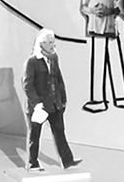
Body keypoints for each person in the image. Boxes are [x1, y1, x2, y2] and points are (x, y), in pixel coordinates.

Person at [22, 29, 82, 172]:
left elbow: (59, 80)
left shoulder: (54, 59)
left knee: (60, 132)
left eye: (53, 42)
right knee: (35, 135)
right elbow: (28, 85)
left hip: (55, 104)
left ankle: (67, 160)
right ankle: (32, 163)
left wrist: (63, 99)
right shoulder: (32, 61)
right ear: (41, 44)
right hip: (39, 107)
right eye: (49, 42)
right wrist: (37, 104)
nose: (52, 45)